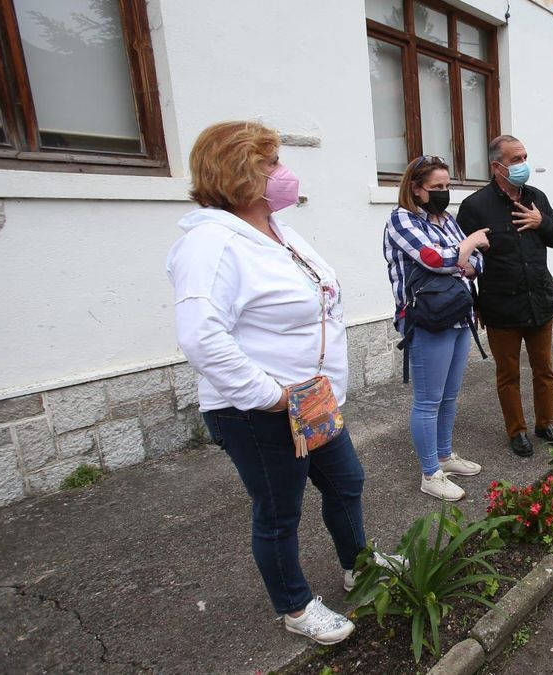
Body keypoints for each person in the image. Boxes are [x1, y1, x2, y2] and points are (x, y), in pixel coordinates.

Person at [166, 121, 367, 644]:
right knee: (279, 512)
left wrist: (312, 391)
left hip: (313, 400)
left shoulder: (277, 228)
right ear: (240, 173)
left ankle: (359, 565)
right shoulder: (211, 243)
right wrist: (271, 396)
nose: (284, 173)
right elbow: (200, 335)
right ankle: (296, 607)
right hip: (260, 411)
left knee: (346, 481)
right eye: (271, 163)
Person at [384, 156, 489, 501]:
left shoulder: (445, 220)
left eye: (447, 186)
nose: (444, 193)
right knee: (428, 400)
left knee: (449, 395)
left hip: (458, 313)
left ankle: (445, 454)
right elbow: (434, 259)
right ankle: (430, 473)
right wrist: (468, 245)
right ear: (416, 188)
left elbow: (476, 263)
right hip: (426, 319)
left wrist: (462, 254)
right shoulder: (401, 219)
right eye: (436, 187)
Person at [457, 135, 553, 458]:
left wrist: (540, 221)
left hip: (539, 301)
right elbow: (463, 261)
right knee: (508, 373)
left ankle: (545, 423)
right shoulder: (475, 206)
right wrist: (475, 303)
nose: (523, 165)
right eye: (516, 159)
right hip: (501, 306)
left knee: (543, 368)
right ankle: (517, 430)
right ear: (497, 166)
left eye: (524, 157)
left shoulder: (537, 198)